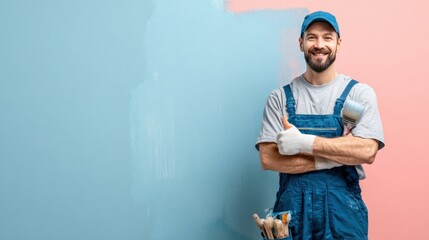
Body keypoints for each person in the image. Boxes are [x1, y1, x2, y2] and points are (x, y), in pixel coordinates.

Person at [255, 11, 385, 239]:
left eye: (327, 37)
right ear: (301, 43)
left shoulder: (357, 94)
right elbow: (269, 158)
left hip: (343, 213)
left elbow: (366, 150)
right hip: (292, 213)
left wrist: (304, 142)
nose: (319, 44)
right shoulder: (280, 99)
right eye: (312, 37)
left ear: (338, 43)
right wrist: (335, 156)